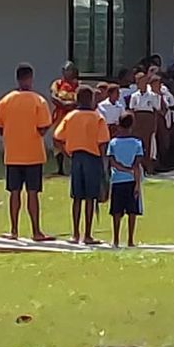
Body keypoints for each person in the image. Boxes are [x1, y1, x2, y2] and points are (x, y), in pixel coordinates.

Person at [0, 63, 55, 241]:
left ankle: (13, 230)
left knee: (14, 192)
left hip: (13, 153)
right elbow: (44, 127)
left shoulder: (5, 100)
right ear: (30, 78)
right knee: (33, 193)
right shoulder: (39, 100)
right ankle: (36, 231)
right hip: (33, 154)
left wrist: (11, 135)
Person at [53, 86, 110, 245]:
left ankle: (75, 234)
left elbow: (57, 137)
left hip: (77, 157)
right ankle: (87, 235)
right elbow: (102, 143)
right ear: (91, 100)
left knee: (77, 197)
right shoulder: (97, 118)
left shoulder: (70, 116)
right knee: (91, 197)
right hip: (92, 158)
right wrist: (103, 162)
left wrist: (67, 153)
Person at [107, 114, 145, 248]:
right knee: (132, 211)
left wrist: (122, 169)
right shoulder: (137, 143)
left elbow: (112, 162)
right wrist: (136, 183)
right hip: (131, 181)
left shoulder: (113, 143)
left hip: (117, 180)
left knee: (116, 211)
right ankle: (130, 240)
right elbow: (137, 164)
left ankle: (116, 239)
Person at [49, 62, 81, 174]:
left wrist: (71, 105)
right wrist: (64, 103)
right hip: (59, 116)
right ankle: (60, 168)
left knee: (72, 140)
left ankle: (73, 166)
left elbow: (80, 99)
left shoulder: (78, 85)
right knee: (58, 140)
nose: (68, 72)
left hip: (73, 117)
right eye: (66, 70)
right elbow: (53, 97)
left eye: (70, 70)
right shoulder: (57, 84)